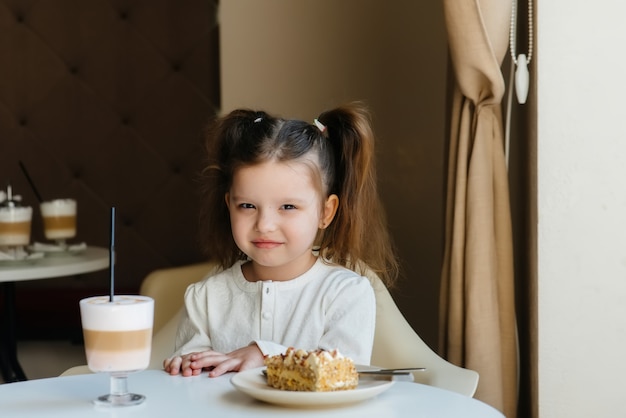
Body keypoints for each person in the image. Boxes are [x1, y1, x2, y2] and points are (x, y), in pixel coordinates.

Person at [164, 102, 398, 377]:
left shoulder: (346, 293)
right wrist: (185, 366)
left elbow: (343, 372)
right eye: (247, 206)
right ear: (229, 205)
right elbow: (190, 384)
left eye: (288, 207)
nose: (264, 225)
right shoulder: (206, 298)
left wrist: (267, 355)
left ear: (325, 212)